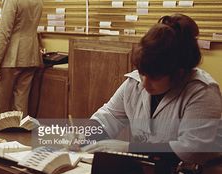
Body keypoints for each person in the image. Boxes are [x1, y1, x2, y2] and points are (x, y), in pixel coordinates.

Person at [83, 14, 222, 164]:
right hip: (149, 171)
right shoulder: (135, 82)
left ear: (179, 73)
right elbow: (109, 116)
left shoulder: (202, 92)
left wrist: (129, 148)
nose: (143, 84)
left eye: (154, 78)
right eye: (142, 73)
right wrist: (85, 134)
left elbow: (190, 151)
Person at [0, 0, 43, 115]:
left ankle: (0, 138)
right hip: (31, 55)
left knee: (2, 103)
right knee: (21, 102)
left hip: (11, 57)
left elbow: (4, 32)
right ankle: (19, 136)